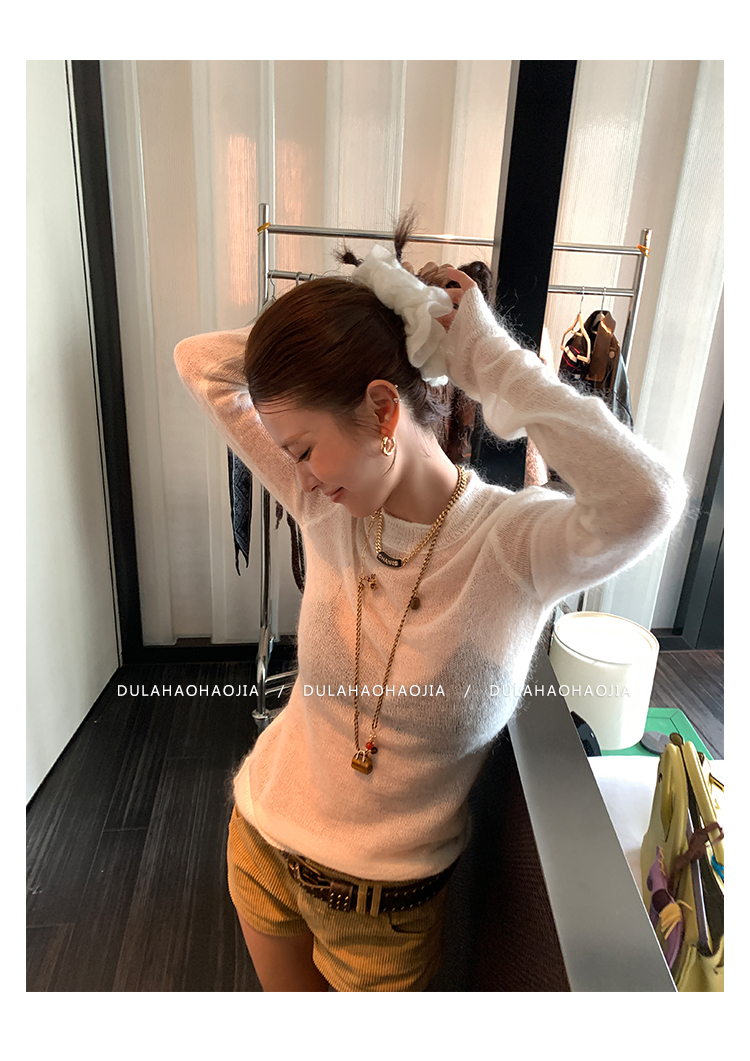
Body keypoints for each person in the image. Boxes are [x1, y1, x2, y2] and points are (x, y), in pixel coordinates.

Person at [173, 217, 688, 992]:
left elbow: (649, 500)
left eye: (305, 448)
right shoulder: (325, 506)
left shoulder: (514, 545)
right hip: (261, 844)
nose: (297, 476)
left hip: (385, 916)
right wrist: (371, 308)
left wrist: (489, 360)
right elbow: (201, 363)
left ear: (385, 411)